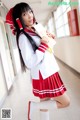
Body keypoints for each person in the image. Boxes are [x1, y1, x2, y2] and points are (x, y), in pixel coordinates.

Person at [6, 2, 70, 120]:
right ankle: (33, 106)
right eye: (25, 14)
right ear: (19, 19)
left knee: (44, 104)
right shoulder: (23, 37)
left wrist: (49, 40)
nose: (30, 16)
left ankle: (36, 107)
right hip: (44, 74)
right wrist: (43, 46)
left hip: (47, 70)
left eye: (30, 11)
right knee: (66, 102)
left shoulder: (35, 28)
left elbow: (47, 51)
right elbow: (29, 62)